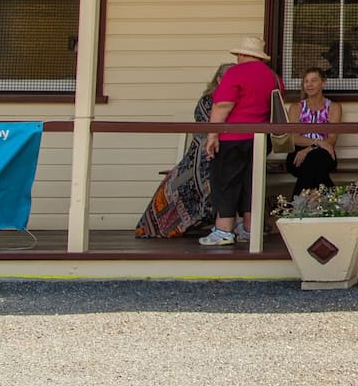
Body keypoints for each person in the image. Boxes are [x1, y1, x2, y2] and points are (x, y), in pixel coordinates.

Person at [200, 36, 285, 246]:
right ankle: (250, 229)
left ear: (241, 54)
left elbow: (222, 106)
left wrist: (212, 135)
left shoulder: (235, 73)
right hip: (260, 139)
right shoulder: (273, 77)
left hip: (232, 137)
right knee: (251, 184)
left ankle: (223, 230)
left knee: (226, 182)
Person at [135, 63, 230, 238]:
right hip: (201, 153)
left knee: (225, 172)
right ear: (219, 79)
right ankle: (161, 225)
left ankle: (221, 223)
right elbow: (207, 132)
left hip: (226, 152)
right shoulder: (207, 101)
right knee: (177, 182)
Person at [287, 68, 342, 195]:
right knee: (315, 164)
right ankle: (333, 200)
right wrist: (319, 143)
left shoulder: (334, 107)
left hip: (324, 153)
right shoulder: (296, 108)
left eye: (314, 80)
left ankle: (296, 206)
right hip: (297, 154)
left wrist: (310, 148)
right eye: (306, 81)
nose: (309, 84)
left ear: (323, 83)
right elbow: (294, 137)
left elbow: (332, 139)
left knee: (314, 159)